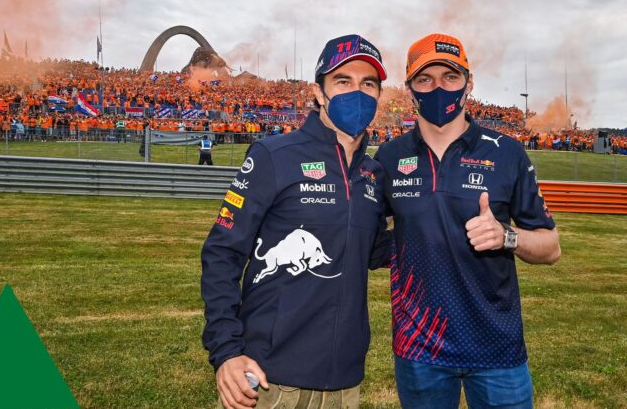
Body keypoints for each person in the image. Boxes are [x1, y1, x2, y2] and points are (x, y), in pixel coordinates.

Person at [201, 34, 393, 409]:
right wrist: (226, 351)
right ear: (319, 92)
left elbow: (373, 251)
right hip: (272, 377)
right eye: (343, 81)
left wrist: (442, 220)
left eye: (368, 83)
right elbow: (221, 252)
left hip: (345, 381)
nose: (357, 92)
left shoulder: (374, 173)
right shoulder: (274, 155)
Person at [374, 33, 561, 409]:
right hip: (419, 348)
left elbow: (551, 247)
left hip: (497, 348)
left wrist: (506, 236)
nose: (438, 87)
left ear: (469, 82)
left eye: (450, 77)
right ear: (409, 87)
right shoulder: (389, 157)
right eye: (425, 79)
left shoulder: (507, 153)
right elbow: (367, 235)